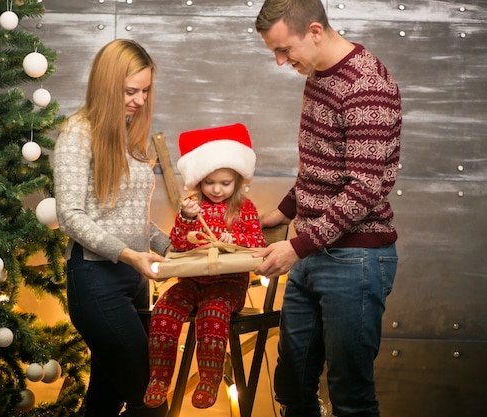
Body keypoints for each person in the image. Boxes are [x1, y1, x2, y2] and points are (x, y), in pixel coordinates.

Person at [251, 1, 402, 417]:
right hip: (313, 251)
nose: (282, 62)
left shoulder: (366, 85)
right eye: (275, 53)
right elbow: (322, 164)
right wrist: (282, 212)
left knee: (349, 396)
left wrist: (297, 247)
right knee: (292, 384)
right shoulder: (317, 75)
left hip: (356, 259)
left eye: (285, 50)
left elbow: (364, 187)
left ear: (315, 31)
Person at [53, 39, 171, 417]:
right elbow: (70, 215)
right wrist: (127, 254)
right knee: (149, 396)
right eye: (130, 91)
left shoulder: (129, 136)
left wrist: (177, 249)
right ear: (107, 85)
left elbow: (132, 217)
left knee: (105, 400)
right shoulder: (77, 133)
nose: (138, 99)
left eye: (145, 91)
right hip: (95, 280)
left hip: (134, 281)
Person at [143, 123, 266, 410]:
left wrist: (232, 237)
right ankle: (159, 379)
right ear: (199, 181)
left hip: (228, 284)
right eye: (210, 182)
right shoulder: (192, 206)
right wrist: (185, 219)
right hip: (191, 282)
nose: (217, 189)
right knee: (163, 309)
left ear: (237, 180)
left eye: (225, 183)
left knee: (212, 313)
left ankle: (209, 379)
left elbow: (258, 242)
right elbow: (177, 245)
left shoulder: (243, 208)